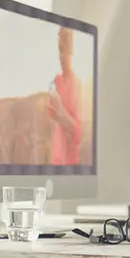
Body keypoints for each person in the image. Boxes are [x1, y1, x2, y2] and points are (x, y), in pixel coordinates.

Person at [46, 26, 83, 165]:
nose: (61, 56)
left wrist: (61, 112)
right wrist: (52, 108)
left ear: (72, 51)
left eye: (64, 50)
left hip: (70, 164)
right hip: (56, 160)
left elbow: (80, 132)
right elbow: (52, 116)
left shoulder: (78, 84)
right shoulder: (57, 81)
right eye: (59, 50)